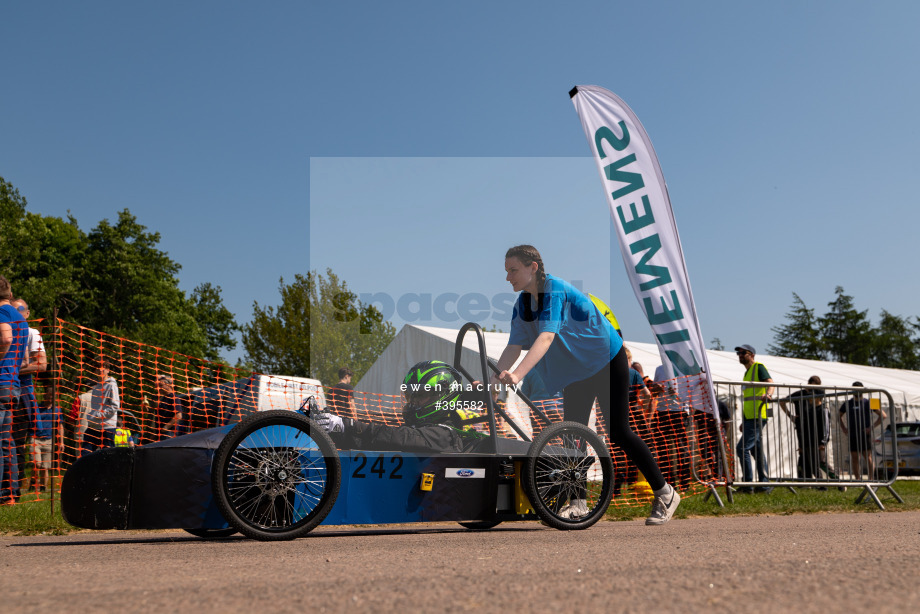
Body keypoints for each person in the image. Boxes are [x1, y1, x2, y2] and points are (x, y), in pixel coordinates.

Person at [490, 245, 679, 525]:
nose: (508, 278)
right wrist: (495, 381)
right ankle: (577, 503)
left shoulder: (555, 290)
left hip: (606, 360)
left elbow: (546, 338)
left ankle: (665, 493)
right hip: (576, 372)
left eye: (513, 270)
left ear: (533, 267)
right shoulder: (522, 304)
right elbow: (513, 345)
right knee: (572, 435)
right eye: (506, 271)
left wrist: (516, 376)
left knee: (618, 431)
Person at [309, 360, 528, 456]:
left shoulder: (445, 433)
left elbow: (400, 437)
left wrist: (348, 424)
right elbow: (379, 441)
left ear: (442, 396)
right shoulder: (434, 429)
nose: (413, 403)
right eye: (411, 397)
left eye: (420, 397)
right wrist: (336, 433)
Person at [10, 298, 46, 495]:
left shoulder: (32, 333)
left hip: (21, 393)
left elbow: (41, 364)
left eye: (20, 309)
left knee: (15, 442)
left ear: (28, 313)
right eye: (12, 310)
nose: (16, 312)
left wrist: (12, 369)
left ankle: (13, 490)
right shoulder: (5, 331)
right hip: (5, 388)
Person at [0, 276, 28, 503]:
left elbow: (5, 338)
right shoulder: (21, 318)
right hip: (13, 385)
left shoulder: (2, 314)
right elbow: (24, 356)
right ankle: (9, 493)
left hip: (1, 381)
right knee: (6, 441)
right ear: (10, 294)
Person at [734, 344, 774, 493]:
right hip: (751, 418)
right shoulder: (747, 373)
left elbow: (771, 383)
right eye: (738, 353)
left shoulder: (759, 367)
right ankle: (764, 485)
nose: (740, 355)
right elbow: (748, 399)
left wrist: (768, 395)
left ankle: (747, 485)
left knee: (742, 448)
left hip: (758, 416)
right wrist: (744, 421)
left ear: (752, 354)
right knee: (756, 451)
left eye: (743, 352)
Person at [780, 376, 828, 483]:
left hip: (815, 431)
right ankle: (807, 481)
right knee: (804, 455)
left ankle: (827, 481)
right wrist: (790, 416)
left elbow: (824, 422)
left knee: (817, 460)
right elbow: (782, 401)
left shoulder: (819, 396)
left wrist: (823, 440)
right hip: (802, 429)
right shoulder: (800, 394)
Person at [838, 382, 885, 480]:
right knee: (855, 458)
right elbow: (838, 416)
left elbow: (883, 415)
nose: (857, 391)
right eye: (854, 389)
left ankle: (871, 478)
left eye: (859, 389)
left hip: (865, 434)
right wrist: (844, 428)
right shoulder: (847, 403)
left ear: (863, 390)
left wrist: (871, 427)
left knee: (868, 457)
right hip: (853, 434)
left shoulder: (870, 401)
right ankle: (857, 479)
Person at [82, 360, 120, 454]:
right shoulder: (96, 387)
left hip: (107, 427)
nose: (100, 370)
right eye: (97, 368)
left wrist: (99, 415)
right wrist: (93, 417)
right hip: (93, 426)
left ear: (107, 370)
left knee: (107, 457)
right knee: (85, 454)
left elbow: (115, 406)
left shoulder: (112, 385)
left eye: (103, 368)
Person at [28, 392, 63, 493]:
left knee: (45, 467)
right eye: (49, 396)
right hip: (36, 439)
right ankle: (33, 484)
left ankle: (43, 488)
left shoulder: (57, 410)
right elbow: (29, 424)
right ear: (45, 396)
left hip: (49, 441)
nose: (51, 399)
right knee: (37, 464)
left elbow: (60, 426)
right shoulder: (37, 408)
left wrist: (61, 442)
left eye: (53, 397)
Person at [141, 375, 182, 443]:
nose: (159, 388)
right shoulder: (162, 399)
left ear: (168, 385)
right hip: (160, 434)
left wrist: (166, 427)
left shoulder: (174, 397)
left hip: (168, 434)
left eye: (161, 385)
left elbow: (178, 416)